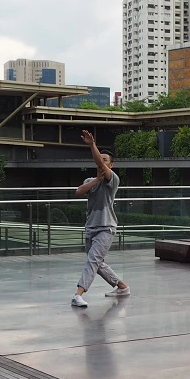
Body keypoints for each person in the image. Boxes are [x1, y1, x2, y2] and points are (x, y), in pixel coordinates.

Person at [72, 130, 130, 307]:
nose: (101, 162)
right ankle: (122, 286)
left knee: (93, 260)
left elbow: (99, 163)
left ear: (111, 165)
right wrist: (95, 180)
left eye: (105, 161)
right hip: (91, 227)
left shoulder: (114, 180)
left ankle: (79, 293)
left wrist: (92, 145)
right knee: (98, 263)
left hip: (106, 227)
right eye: (101, 159)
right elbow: (79, 192)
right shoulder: (91, 179)